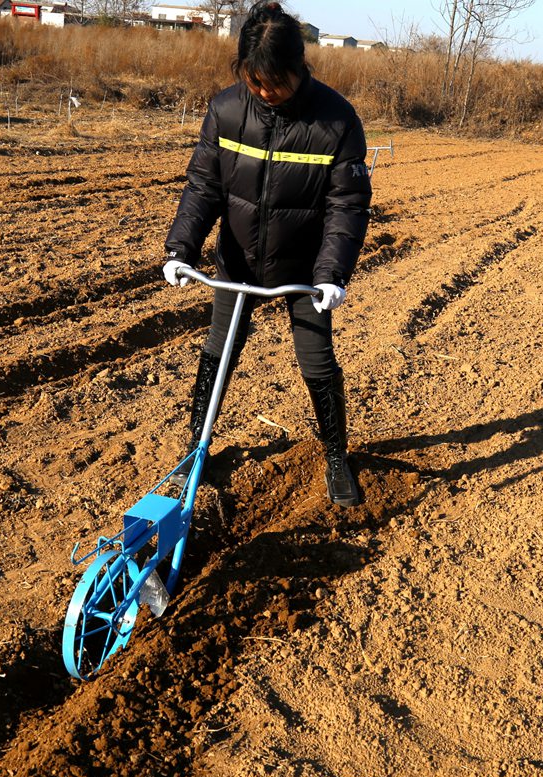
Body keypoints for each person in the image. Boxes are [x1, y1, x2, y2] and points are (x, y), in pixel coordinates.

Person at [163, 0, 372, 507]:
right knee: (220, 348)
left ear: (298, 67)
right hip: (237, 261)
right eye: (254, 81)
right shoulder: (227, 110)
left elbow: (347, 205)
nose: (263, 92)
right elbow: (204, 186)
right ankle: (196, 448)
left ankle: (336, 455)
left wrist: (331, 274)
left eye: (273, 81)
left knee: (316, 358)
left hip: (302, 269)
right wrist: (181, 247)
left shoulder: (336, 122)